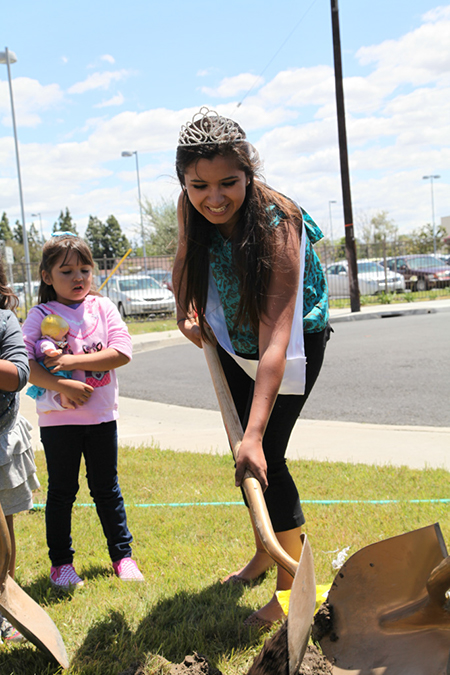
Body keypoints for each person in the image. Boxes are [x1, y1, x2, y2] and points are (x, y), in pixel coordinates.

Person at [173, 107, 331, 628]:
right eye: (199, 186)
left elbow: (276, 341)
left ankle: (290, 591)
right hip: (228, 333)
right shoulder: (189, 205)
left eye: (228, 183)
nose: (213, 197)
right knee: (245, 456)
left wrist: (256, 434)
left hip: (287, 340)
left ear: (249, 174)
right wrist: (184, 309)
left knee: (267, 455)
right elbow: (183, 259)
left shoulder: (276, 221)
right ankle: (266, 553)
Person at [22, 233, 144, 590]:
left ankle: (122, 557)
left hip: (102, 418)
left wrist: (70, 360)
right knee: (62, 492)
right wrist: (63, 385)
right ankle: (61, 565)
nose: (78, 278)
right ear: (47, 277)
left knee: (107, 489)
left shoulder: (102, 308)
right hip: (59, 422)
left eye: (85, 269)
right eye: (67, 271)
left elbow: (121, 352)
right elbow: (24, 363)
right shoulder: (40, 314)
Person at [0, 260, 40, 643]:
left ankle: (4, 605)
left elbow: (18, 375)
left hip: (0, 442)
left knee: (1, 533)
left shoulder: (3, 320)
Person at [26, 314, 73, 408]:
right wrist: (53, 352)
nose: (64, 339)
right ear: (52, 335)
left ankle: (50, 405)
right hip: (47, 366)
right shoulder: (46, 342)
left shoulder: (52, 341)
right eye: (63, 336)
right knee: (62, 382)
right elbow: (47, 349)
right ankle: (64, 401)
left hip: (50, 365)